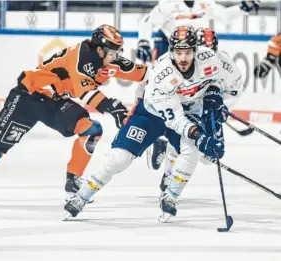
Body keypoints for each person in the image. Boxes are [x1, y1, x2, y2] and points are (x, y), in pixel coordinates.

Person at [63, 25, 225, 222]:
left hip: (186, 110)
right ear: (171, 51)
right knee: (120, 159)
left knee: (197, 151)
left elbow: (214, 80)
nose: (183, 58)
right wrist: (199, 134)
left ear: (195, 51)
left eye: (188, 52)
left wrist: (213, 94)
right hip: (152, 113)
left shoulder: (209, 58)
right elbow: (174, 119)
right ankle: (82, 196)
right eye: (178, 52)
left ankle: (171, 196)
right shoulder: (162, 74)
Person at [0, 24, 148, 200]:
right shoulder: (81, 58)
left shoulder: (109, 59)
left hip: (52, 102)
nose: (116, 57)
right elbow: (86, 93)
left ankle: (73, 181)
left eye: (117, 52)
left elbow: (145, 74)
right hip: (27, 96)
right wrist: (114, 107)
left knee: (91, 129)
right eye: (112, 53)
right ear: (100, 50)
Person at [136, 0, 260, 169]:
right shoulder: (168, 3)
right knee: (164, 92)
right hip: (170, 48)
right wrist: (143, 41)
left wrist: (242, 8)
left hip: (195, 51)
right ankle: (161, 134)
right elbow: (147, 21)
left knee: (198, 88)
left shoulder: (204, 2)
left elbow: (223, 15)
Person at [157, 27, 244, 203]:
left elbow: (235, 89)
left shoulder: (225, 65)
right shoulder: (173, 63)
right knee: (185, 139)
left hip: (208, 107)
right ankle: (169, 175)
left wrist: (221, 106)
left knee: (211, 156)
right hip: (184, 108)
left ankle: (168, 150)